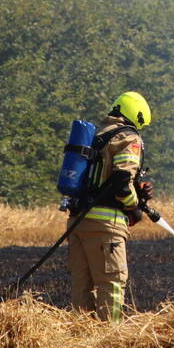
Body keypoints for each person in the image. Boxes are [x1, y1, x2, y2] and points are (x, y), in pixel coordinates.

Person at [67, 91, 154, 321]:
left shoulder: (98, 134)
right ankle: (108, 338)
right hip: (106, 225)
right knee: (112, 284)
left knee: (82, 286)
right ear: (136, 117)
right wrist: (135, 205)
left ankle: (80, 341)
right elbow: (121, 183)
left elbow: (104, 179)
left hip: (77, 222)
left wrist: (137, 189)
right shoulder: (128, 138)